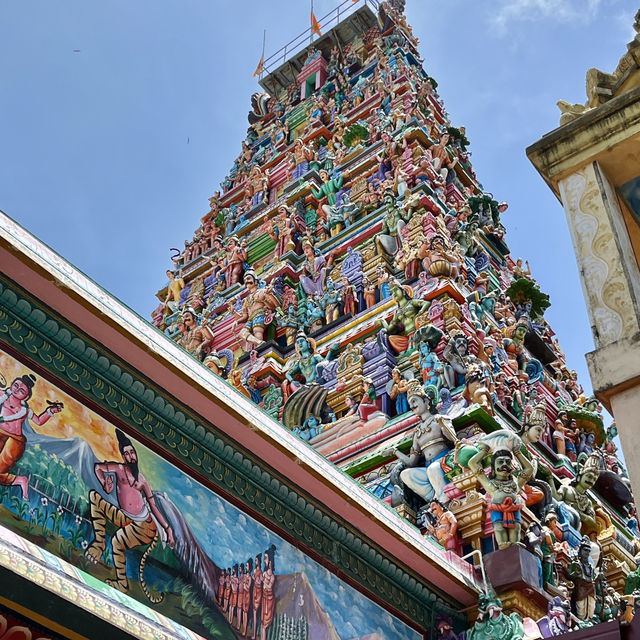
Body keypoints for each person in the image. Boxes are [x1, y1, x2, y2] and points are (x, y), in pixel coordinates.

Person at [85, 429, 175, 597]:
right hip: (125, 518)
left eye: (132, 452)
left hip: (143, 525)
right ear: (123, 456)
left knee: (118, 541)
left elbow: (153, 505)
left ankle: (122, 584)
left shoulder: (142, 480)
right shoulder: (119, 469)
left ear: (136, 454)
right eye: (126, 453)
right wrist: (105, 483)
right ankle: (99, 543)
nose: (130, 456)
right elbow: (98, 468)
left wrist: (168, 528)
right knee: (94, 497)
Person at [0, 374, 63, 499]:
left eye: (21, 390)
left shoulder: (26, 410)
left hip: (15, 441)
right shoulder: (2, 395)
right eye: (16, 385)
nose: (17, 390)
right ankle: (19, 480)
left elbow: (39, 421)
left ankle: (21, 481)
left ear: (26, 396)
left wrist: (51, 411)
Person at [473, 448, 533, 550]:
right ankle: (502, 544)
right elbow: (472, 463)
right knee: (499, 527)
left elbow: (529, 469)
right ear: (493, 467)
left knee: (516, 527)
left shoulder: (515, 484)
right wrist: (484, 451)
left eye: (508, 462)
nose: (504, 465)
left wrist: (517, 453)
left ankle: (515, 543)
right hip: (497, 508)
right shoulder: (490, 484)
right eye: (500, 462)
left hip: (514, 508)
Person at [261, 545, 276, 640]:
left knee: (265, 624)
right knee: (263, 624)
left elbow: (270, 586)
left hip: (269, 600)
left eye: (265, 558)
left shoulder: (272, 576)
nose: (264, 561)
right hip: (263, 598)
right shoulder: (264, 573)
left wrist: (263, 580)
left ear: (270, 561)